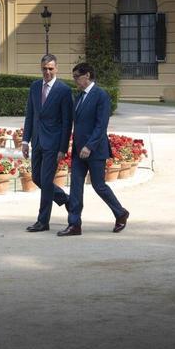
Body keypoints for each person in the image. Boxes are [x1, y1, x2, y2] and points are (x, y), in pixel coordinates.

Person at [62, 62, 129, 235]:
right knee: (76, 186)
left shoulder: (101, 95)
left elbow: (101, 125)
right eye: (74, 77)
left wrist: (89, 146)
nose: (75, 80)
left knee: (99, 186)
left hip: (95, 150)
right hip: (78, 150)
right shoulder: (79, 96)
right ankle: (74, 224)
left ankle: (120, 213)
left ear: (88, 75)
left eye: (77, 76)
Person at [21, 54, 73, 233]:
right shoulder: (35, 87)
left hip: (53, 143)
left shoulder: (64, 90)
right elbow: (31, 115)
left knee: (45, 180)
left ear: (56, 69)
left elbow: (67, 122)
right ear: (41, 68)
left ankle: (43, 221)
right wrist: (25, 141)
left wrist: (62, 148)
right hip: (36, 141)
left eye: (51, 68)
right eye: (44, 68)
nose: (47, 72)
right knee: (36, 178)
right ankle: (65, 199)